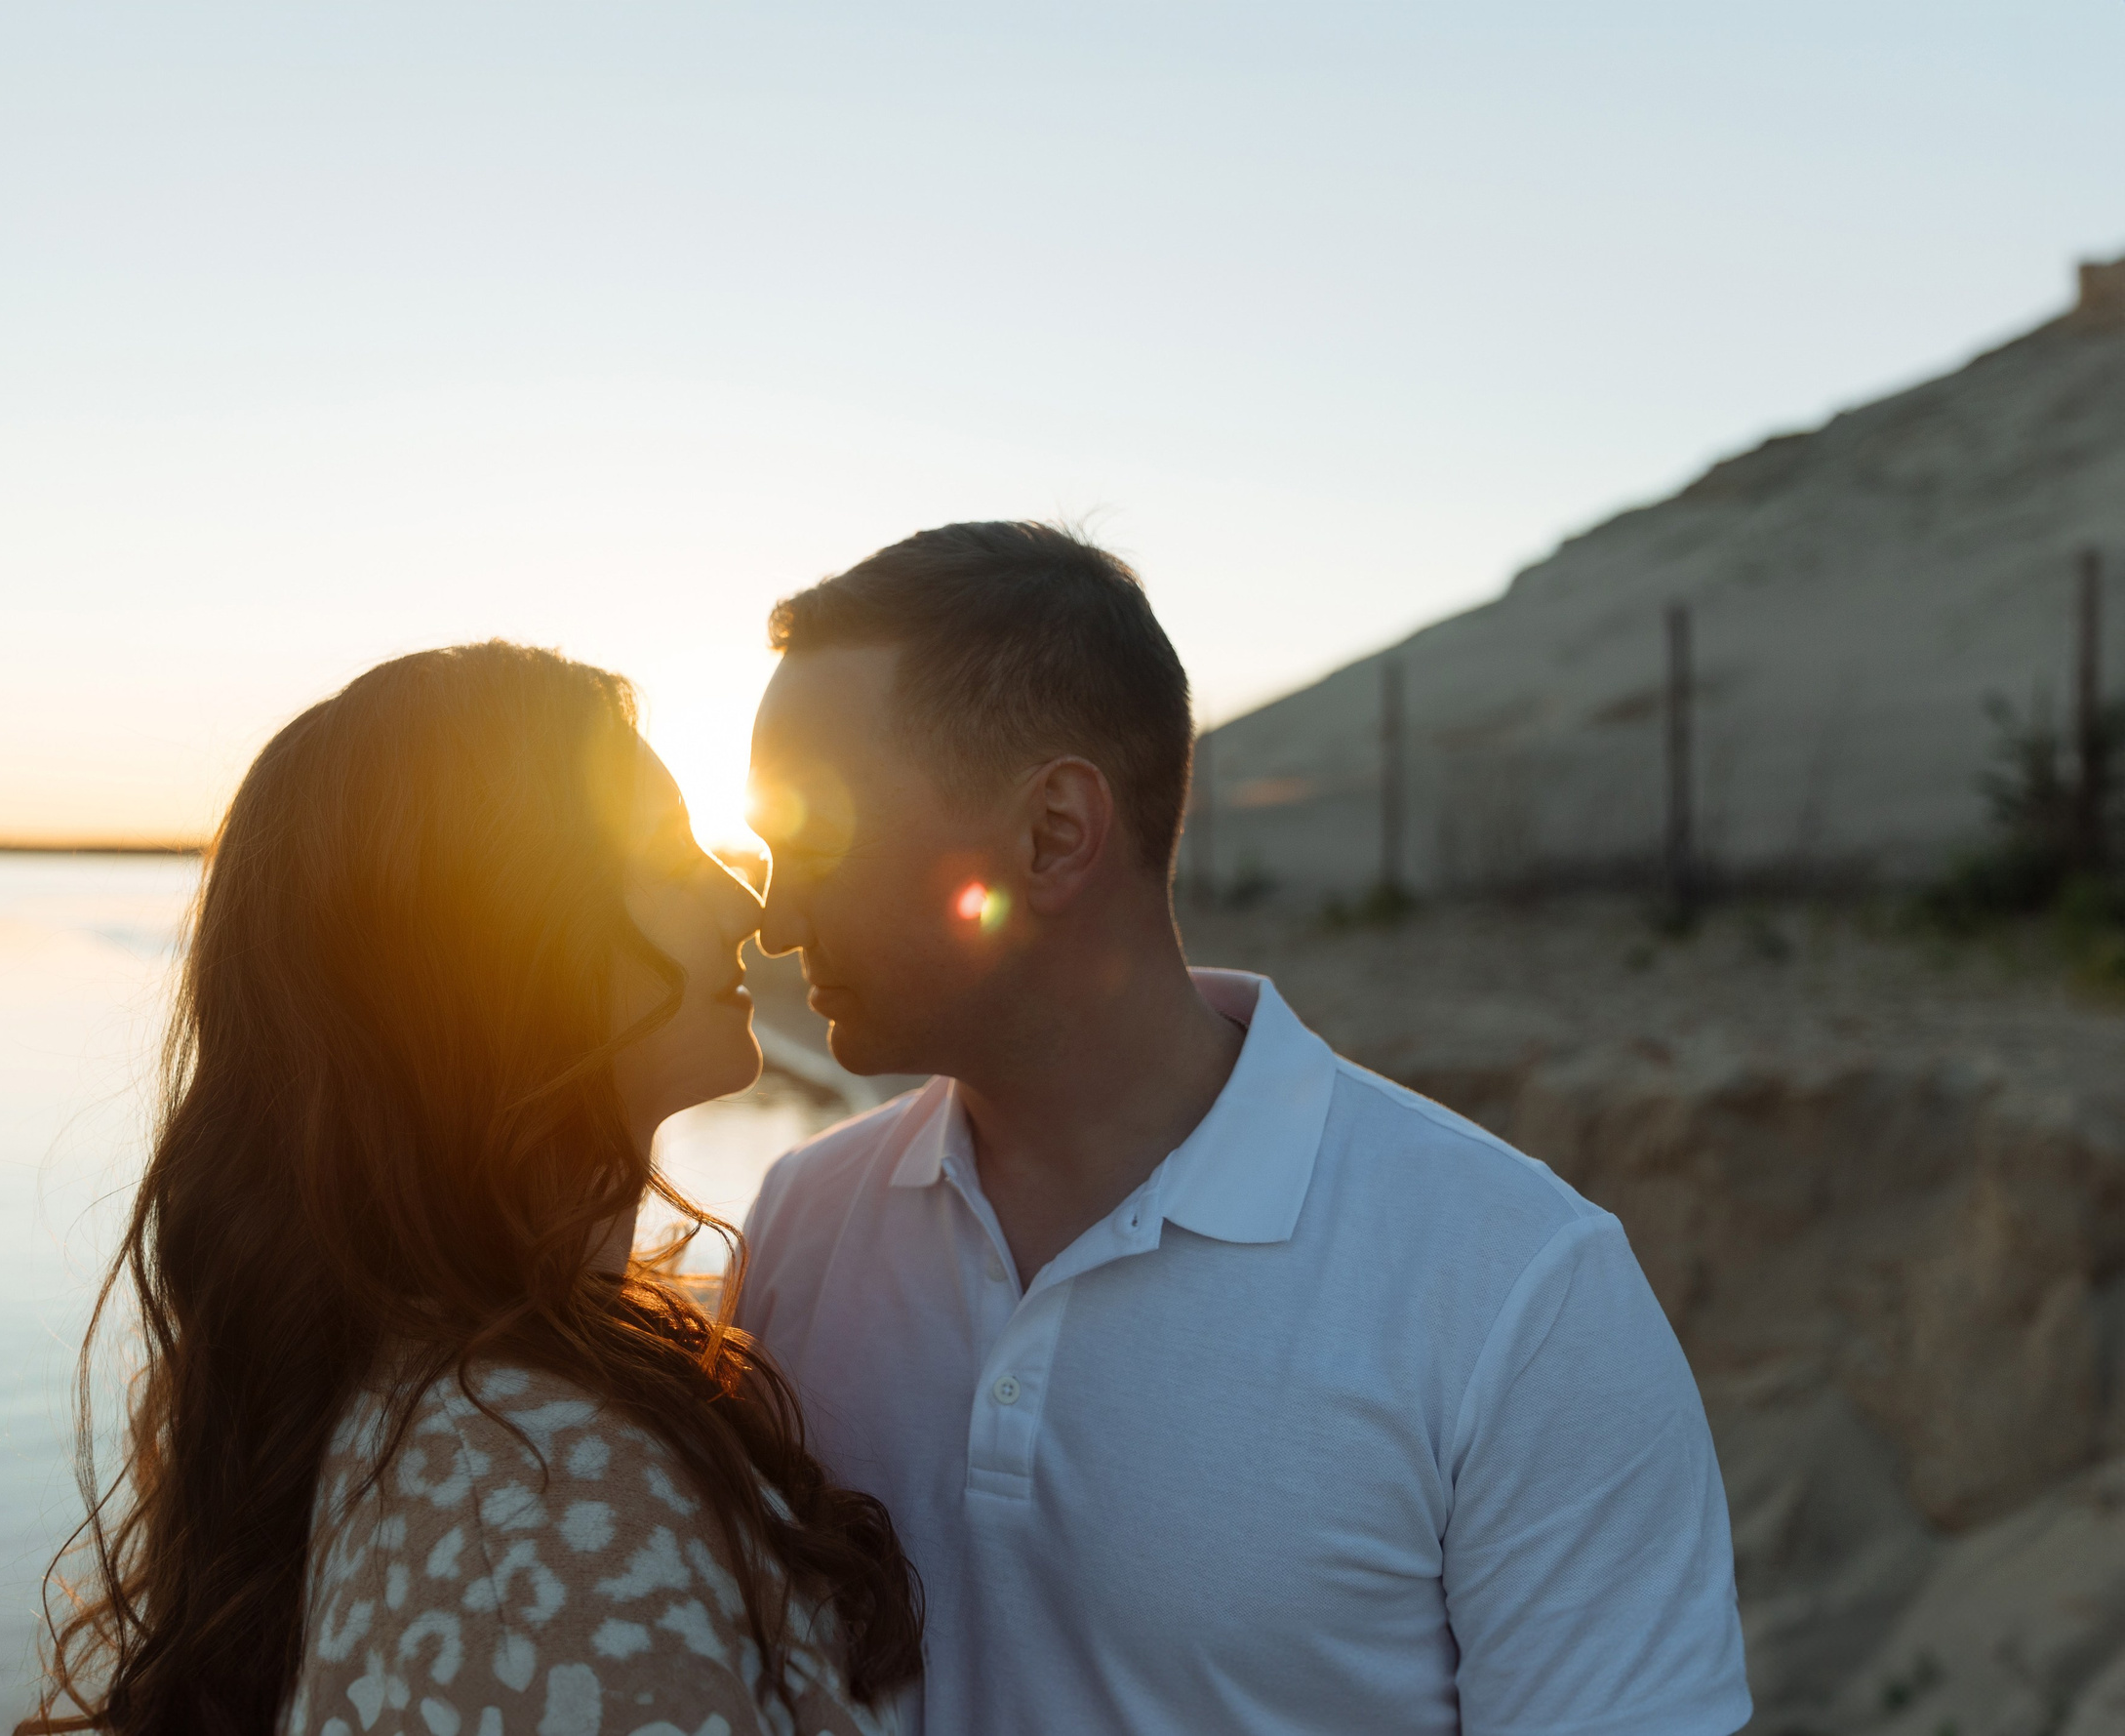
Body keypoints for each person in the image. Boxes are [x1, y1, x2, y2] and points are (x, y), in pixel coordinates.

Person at [736, 523, 1751, 1736]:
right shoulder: (800, 1221)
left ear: (1053, 833)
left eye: (817, 842)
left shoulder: (1515, 1291)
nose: (775, 915)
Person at [20, 644, 920, 1736]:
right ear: (500, 944)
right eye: (666, 858)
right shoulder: (538, 1501)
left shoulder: (451, 1388)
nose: (741, 903)